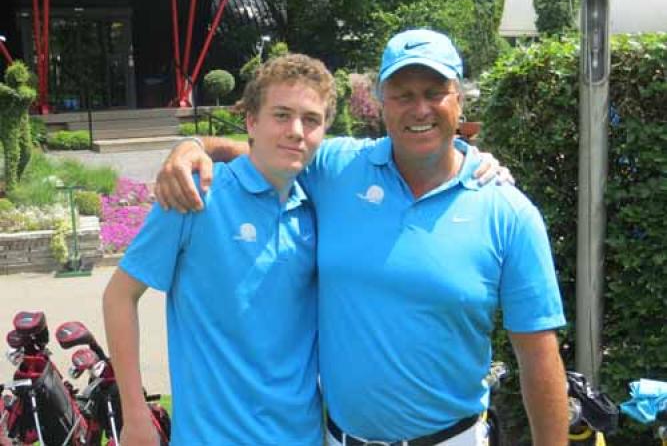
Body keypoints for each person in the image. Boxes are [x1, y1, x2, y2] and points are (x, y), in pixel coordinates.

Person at [155, 29, 569, 445]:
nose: (420, 108)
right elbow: (269, 152)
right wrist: (194, 145)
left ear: (459, 99)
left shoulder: (507, 212)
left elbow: (538, 356)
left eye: (434, 92)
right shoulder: (339, 168)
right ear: (382, 103)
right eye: (403, 95)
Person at [103, 54, 337, 445]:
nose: (296, 131)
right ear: (251, 122)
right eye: (281, 115)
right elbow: (119, 297)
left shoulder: (317, 206)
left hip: (303, 436)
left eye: (310, 119)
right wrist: (135, 414)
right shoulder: (195, 193)